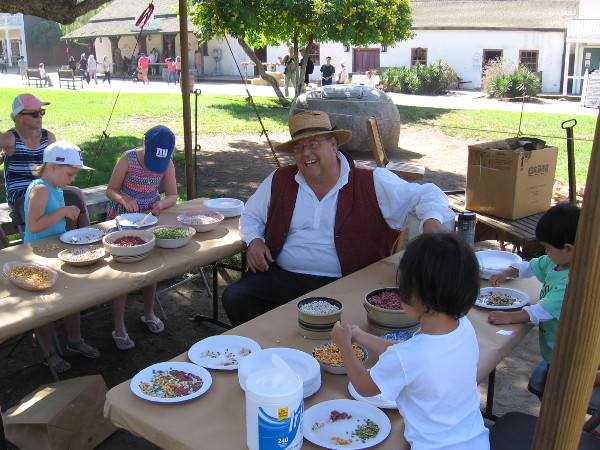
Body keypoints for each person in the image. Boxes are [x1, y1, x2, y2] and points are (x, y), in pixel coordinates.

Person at [221, 110, 455, 326]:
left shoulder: (371, 181)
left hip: (347, 280)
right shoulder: (280, 179)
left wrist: (431, 221)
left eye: (314, 144)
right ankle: (269, 353)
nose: (306, 153)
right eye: (299, 148)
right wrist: (254, 241)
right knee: (236, 297)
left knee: (344, 324)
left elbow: (428, 193)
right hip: (285, 276)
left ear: (333, 145)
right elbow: (251, 214)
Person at [331, 233, 489, 449]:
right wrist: (359, 336)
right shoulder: (462, 326)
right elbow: (406, 356)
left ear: (413, 295)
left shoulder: (412, 355)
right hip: (475, 441)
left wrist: (344, 345)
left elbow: (364, 386)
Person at [24, 141, 99, 372]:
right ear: (53, 167)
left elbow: (54, 222)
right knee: (44, 305)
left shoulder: (54, 186)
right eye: (70, 174)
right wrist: (62, 211)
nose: (73, 179)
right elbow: (34, 226)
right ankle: (49, 351)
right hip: (39, 255)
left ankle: (74, 339)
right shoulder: (41, 188)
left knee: (70, 295)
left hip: (55, 250)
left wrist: (68, 218)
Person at [105, 125, 178, 349]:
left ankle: (148, 313)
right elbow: (111, 190)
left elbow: (173, 195)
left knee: (150, 269)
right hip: (123, 219)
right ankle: (118, 326)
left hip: (148, 220)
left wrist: (161, 203)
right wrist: (124, 201)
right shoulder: (128, 159)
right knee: (124, 275)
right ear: (144, 145)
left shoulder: (167, 163)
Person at [488, 202, 581, 364]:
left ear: (569, 249)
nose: (546, 252)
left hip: (568, 356)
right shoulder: (557, 262)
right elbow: (531, 266)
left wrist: (510, 317)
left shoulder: (573, 282)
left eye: (548, 248)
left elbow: (542, 311)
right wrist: (506, 273)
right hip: (553, 348)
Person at [0, 94, 56, 208]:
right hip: (20, 195)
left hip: (44, 189)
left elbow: (54, 169)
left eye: (42, 112)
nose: (40, 116)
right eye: (34, 114)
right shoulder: (10, 138)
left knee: (76, 194)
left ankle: (86, 226)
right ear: (19, 117)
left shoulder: (49, 137)